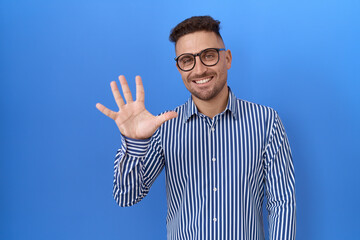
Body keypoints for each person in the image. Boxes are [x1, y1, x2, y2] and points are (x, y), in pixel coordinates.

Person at [96, 16, 296, 240]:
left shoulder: (266, 121)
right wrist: (134, 143)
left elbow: (282, 203)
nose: (199, 69)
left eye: (208, 56)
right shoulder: (164, 127)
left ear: (227, 58)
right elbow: (126, 196)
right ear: (179, 67)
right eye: (187, 60)